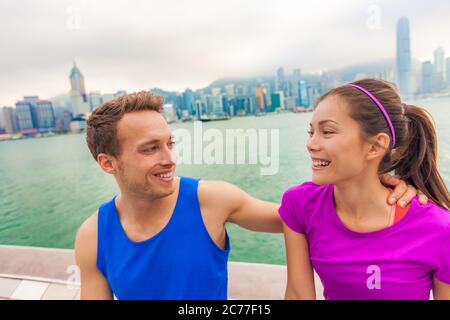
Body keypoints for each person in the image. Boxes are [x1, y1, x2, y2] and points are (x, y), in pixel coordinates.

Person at [75, 90, 423, 299]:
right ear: (108, 163)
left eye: (169, 143)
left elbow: (305, 216)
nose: (169, 158)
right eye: (150, 149)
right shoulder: (92, 237)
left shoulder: (210, 201)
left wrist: (381, 189)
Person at [279, 78, 450, 300]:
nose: (311, 144)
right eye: (311, 132)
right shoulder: (300, 205)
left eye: (327, 132)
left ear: (376, 146)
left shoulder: (439, 229)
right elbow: (297, 295)